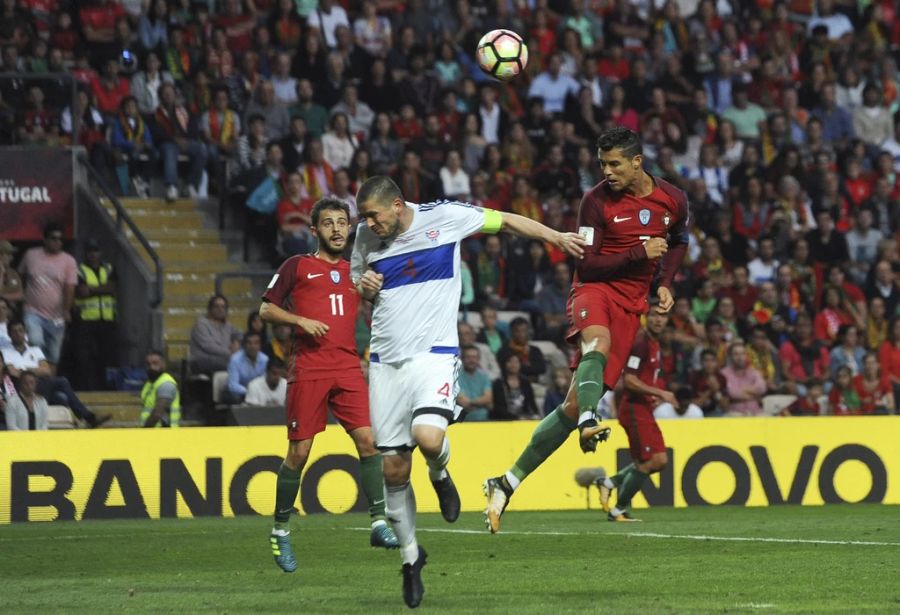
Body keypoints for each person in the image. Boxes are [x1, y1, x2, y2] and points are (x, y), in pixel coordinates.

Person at [351, 175, 584, 607]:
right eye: (364, 217)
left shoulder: (446, 217)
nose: (367, 224)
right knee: (394, 472)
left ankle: (440, 473)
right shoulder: (365, 235)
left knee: (428, 438)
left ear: (398, 205)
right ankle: (410, 557)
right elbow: (356, 277)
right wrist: (361, 284)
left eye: (373, 215)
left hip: (433, 354)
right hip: (385, 362)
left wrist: (555, 236)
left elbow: (508, 223)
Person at [483, 126, 689, 533]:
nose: (607, 171)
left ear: (636, 162)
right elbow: (588, 264)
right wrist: (638, 252)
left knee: (571, 406)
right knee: (599, 341)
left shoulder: (673, 199)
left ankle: (506, 482)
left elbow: (679, 239)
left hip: (632, 305)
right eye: (601, 164)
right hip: (594, 290)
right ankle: (590, 419)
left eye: (614, 164)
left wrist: (664, 282)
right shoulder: (594, 202)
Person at [260, 197, 404, 575]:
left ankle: (377, 523)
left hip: (347, 366)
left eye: (342, 222)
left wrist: (374, 290)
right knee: (299, 452)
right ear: (314, 231)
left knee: (369, 441)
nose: (337, 229)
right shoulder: (297, 266)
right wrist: (299, 322)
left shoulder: (357, 272)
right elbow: (265, 309)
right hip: (309, 367)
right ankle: (280, 529)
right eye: (329, 223)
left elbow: (378, 298)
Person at [593, 303, 676, 521]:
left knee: (659, 460)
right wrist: (660, 392)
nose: (659, 320)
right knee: (647, 462)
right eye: (655, 315)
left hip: (644, 408)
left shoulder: (654, 343)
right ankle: (618, 509)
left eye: (663, 316)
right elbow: (629, 380)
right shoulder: (641, 343)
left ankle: (609, 483)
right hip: (633, 408)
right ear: (646, 317)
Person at [2, 318, 109, 427]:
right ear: (9, 334)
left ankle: (79, 423)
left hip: (41, 386)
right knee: (62, 381)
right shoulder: (5, 352)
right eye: (14, 331)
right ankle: (89, 418)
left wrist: (24, 369)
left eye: (20, 330)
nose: (18, 334)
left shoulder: (35, 350)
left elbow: (47, 370)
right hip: (22, 388)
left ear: (25, 332)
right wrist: (35, 370)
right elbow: (13, 373)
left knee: (61, 397)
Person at [17, 223, 77, 371]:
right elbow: (20, 277)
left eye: (60, 239)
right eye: (53, 238)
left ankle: (48, 388)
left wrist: (66, 310)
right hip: (33, 311)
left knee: (53, 355)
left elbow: (69, 287)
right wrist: (22, 296)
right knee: (35, 343)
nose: (57, 242)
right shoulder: (31, 255)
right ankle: (33, 383)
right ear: (44, 239)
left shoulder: (69, 261)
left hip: (57, 316)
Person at [72, 240, 117, 390]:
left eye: (95, 251)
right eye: (90, 251)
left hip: (107, 319)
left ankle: (105, 387)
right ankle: (87, 387)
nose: (93, 254)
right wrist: (100, 288)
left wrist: (91, 289)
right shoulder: (80, 270)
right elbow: (81, 291)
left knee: (107, 355)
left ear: (100, 252)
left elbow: (112, 288)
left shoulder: (109, 268)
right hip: (86, 320)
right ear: (86, 253)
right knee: (85, 357)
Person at [188, 295, 242, 376]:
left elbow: (239, 335)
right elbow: (208, 347)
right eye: (216, 306)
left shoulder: (227, 325)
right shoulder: (201, 324)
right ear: (210, 309)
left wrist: (236, 341)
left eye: (223, 307)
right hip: (203, 360)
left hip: (223, 359)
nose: (220, 309)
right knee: (236, 364)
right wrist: (230, 353)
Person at [720, 341, 768, 416]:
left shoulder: (754, 372)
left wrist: (740, 390)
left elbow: (762, 388)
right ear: (730, 356)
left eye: (742, 354)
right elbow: (732, 393)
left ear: (746, 356)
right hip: (735, 413)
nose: (740, 357)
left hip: (756, 412)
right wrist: (755, 395)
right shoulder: (724, 373)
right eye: (736, 354)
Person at [224, 331, 268, 404]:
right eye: (249, 343)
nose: (252, 346)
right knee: (236, 397)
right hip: (236, 393)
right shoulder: (235, 359)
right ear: (244, 345)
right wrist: (251, 391)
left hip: (257, 393)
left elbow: (264, 382)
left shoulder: (265, 360)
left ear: (260, 345)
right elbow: (233, 386)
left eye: (256, 343)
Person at [141, 350, 181, 427]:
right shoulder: (149, 384)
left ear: (163, 364)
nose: (151, 367)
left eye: (155, 363)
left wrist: (144, 431)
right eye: (148, 364)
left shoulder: (166, 384)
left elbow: (157, 414)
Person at [456, 344, 492, 421]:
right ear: (462, 359)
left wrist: (470, 402)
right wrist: (480, 402)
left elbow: (488, 399)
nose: (471, 360)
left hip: (483, 420)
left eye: (474, 357)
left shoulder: (484, 377)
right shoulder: (455, 376)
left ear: (478, 359)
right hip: (462, 421)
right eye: (468, 357)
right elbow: (462, 402)